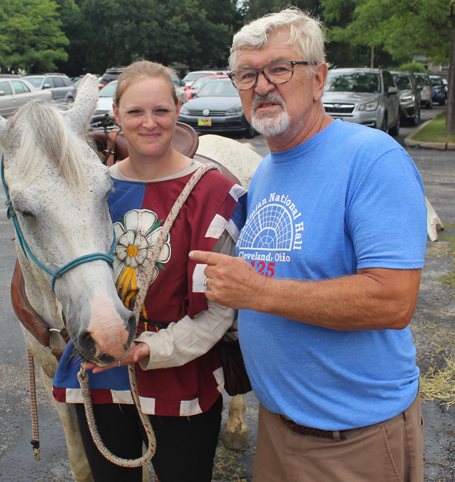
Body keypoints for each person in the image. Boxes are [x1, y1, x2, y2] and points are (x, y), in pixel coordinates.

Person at [189, 8, 427, 482]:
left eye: (279, 68)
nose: (261, 85)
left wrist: (256, 293)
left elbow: (392, 301)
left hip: (354, 438)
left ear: (318, 79)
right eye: (247, 74)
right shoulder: (269, 169)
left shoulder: (373, 159)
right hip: (277, 429)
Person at [52, 60, 246, 482]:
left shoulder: (215, 193)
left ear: (179, 108)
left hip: (182, 376)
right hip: (99, 375)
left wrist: (149, 350)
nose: (149, 123)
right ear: (117, 114)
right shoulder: (91, 192)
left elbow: (220, 309)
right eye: (135, 112)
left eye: (161, 110)